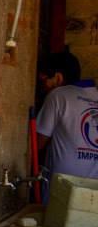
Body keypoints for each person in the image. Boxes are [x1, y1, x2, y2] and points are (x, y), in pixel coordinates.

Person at [36, 50, 98, 186]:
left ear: (58, 78)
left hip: (61, 190)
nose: (42, 87)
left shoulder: (58, 96)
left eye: (43, 80)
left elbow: (36, 144)